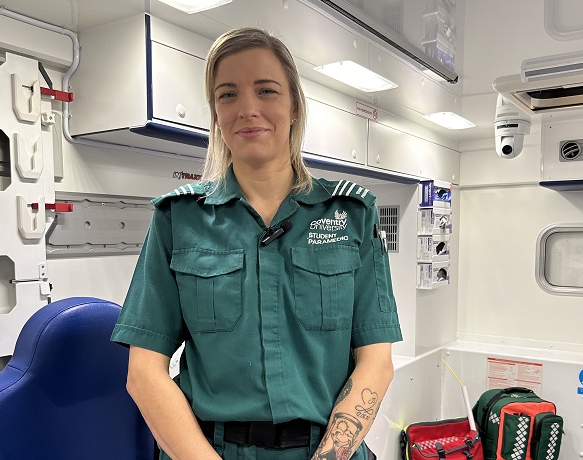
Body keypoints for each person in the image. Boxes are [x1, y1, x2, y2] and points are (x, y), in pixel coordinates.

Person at [111, 27, 402, 460]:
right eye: (227, 95)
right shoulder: (180, 221)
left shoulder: (350, 217)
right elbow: (144, 372)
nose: (248, 109)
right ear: (214, 112)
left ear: (294, 105)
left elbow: (376, 361)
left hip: (328, 451)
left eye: (266, 90)